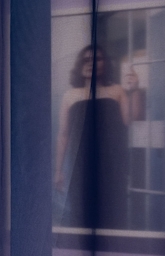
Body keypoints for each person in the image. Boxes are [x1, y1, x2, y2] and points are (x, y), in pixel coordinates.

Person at [54, 44, 142, 229]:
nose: (91, 64)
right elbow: (63, 135)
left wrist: (135, 90)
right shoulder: (70, 96)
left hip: (112, 164)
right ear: (80, 65)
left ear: (105, 64)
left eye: (97, 59)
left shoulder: (117, 91)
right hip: (81, 166)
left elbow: (131, 118)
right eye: (86, 60)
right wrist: (58, 170)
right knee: (81, 214)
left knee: (113, 214)